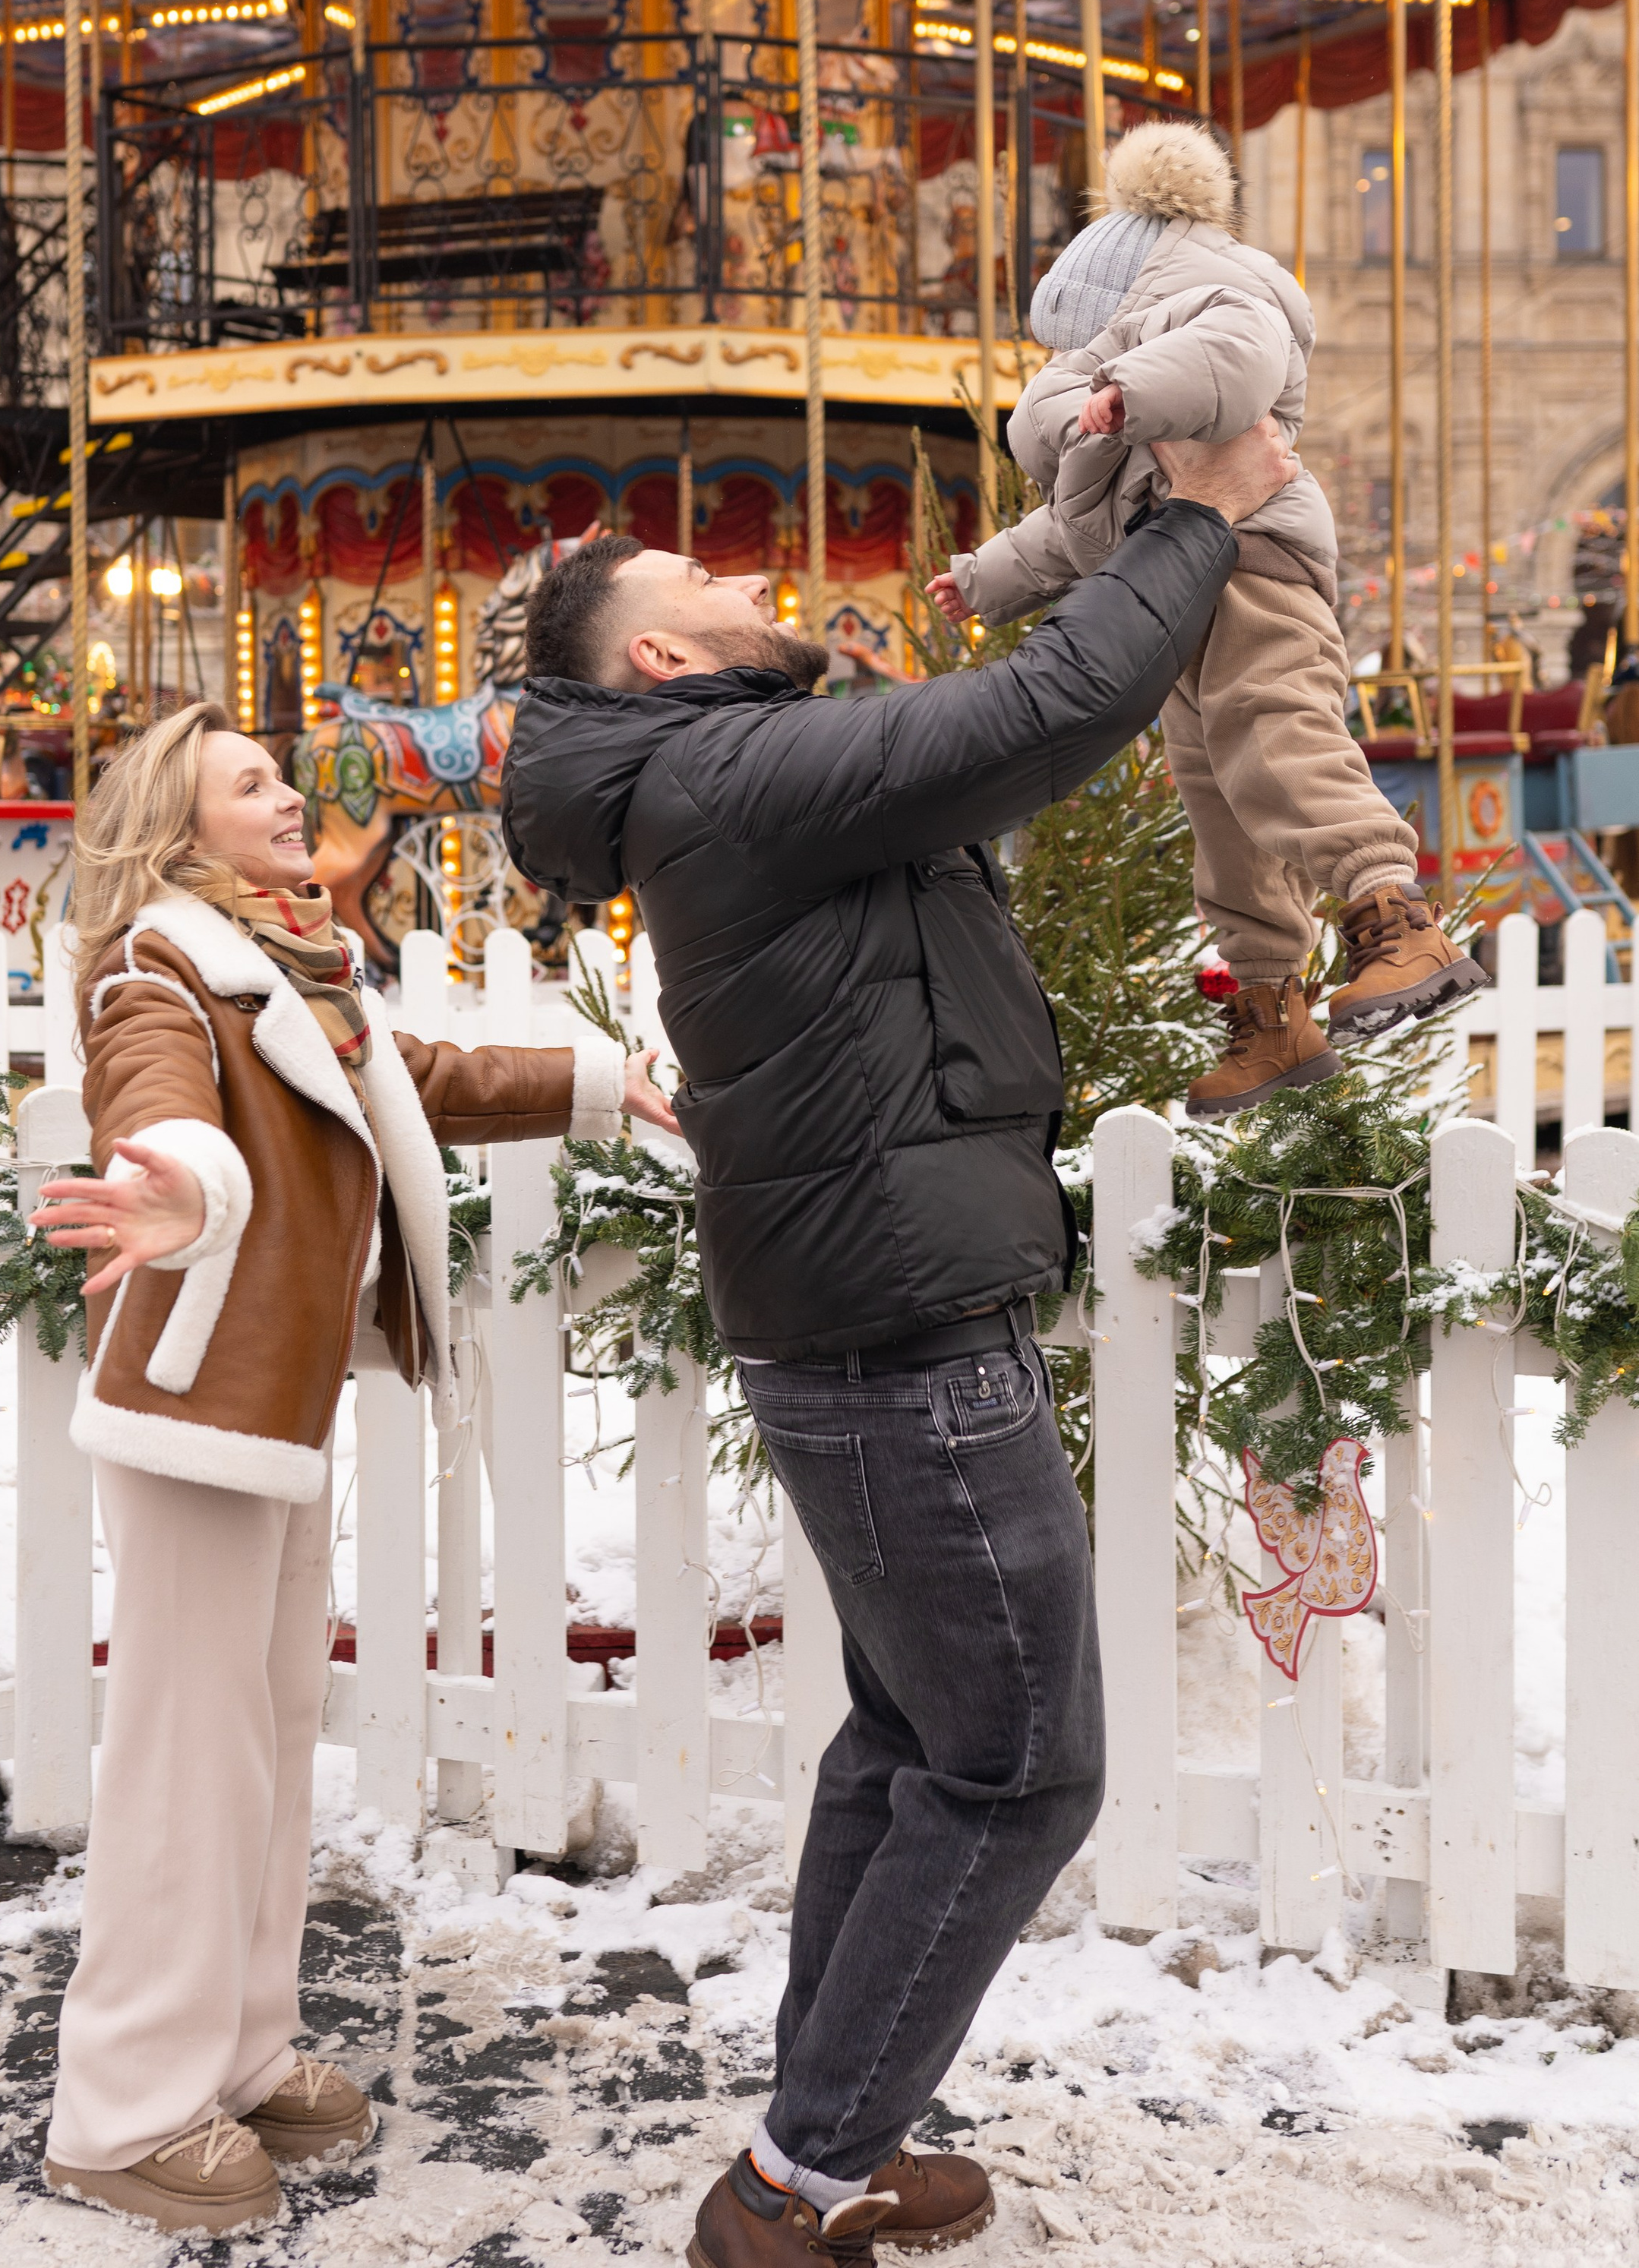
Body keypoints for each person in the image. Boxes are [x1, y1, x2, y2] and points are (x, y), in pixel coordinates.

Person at [498, 417, 1297, 2268]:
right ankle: (791, 2187)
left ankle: (828, 2137)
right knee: (1021, 1765)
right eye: (712, 587)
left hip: (873, 1315)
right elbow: (1034, 717)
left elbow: (996, 745)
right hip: (897, 1335)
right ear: (657, 658)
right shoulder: (737, 775)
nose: (757, 590)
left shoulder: (726, 774)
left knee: (902, 1737)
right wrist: (1199, 515)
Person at [28, 701, 646, 2237]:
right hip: (197, 1411)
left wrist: (587, 1085)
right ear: (177, 833)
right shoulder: (159, 970)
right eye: (251, 784)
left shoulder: (293, 971)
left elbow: (409, 1074)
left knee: (268, 1730)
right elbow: (157, 1103)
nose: (291, 797)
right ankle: (122, 2107)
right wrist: (177, 1189)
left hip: (272, 1408)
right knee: (187, 1750)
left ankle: (230, 2052)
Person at [930, 118, 1484, 1117]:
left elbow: (1234, 361)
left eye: (1085, 351)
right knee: (1222, 811)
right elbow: (1070, 536)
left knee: (1277, 737)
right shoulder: (1119, 452)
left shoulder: (1225, 302)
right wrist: (984, 578)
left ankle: (1394, 917)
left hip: (1253, 567)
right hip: (1183, 600)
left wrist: (1130, 392)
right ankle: (1272, 1013)